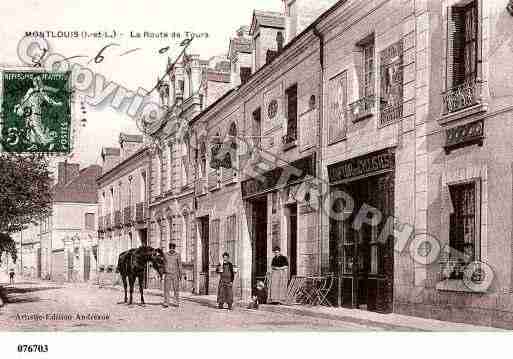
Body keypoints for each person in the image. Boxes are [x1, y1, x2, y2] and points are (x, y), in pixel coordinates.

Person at [14, 75, 63, 147]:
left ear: (40, 81)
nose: (36, 82)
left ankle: (46, 141)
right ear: (33, 82)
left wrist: (57, 104)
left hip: (36, 113)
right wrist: (19, 107)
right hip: (28, 113)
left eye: (38, 80)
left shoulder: (42, 92)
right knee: (30, 128)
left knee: (36, 127)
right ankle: (34, 144)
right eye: (35, 80)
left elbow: (49, 100)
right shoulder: (30, 90)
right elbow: (24, 100)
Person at [162, 242, 181, 308]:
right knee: (166, 289)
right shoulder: (165, 255)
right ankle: (166, 303)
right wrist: (162, 273)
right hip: (167, 274)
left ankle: (176, 302)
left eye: (173, 248)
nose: (172, 249)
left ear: (174, 248)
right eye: (171, 248)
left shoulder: (178, 255)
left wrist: (180, 274)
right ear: (169, 248)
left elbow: (180, 265)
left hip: (175, 274)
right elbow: (163, 264)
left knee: (176, 289)